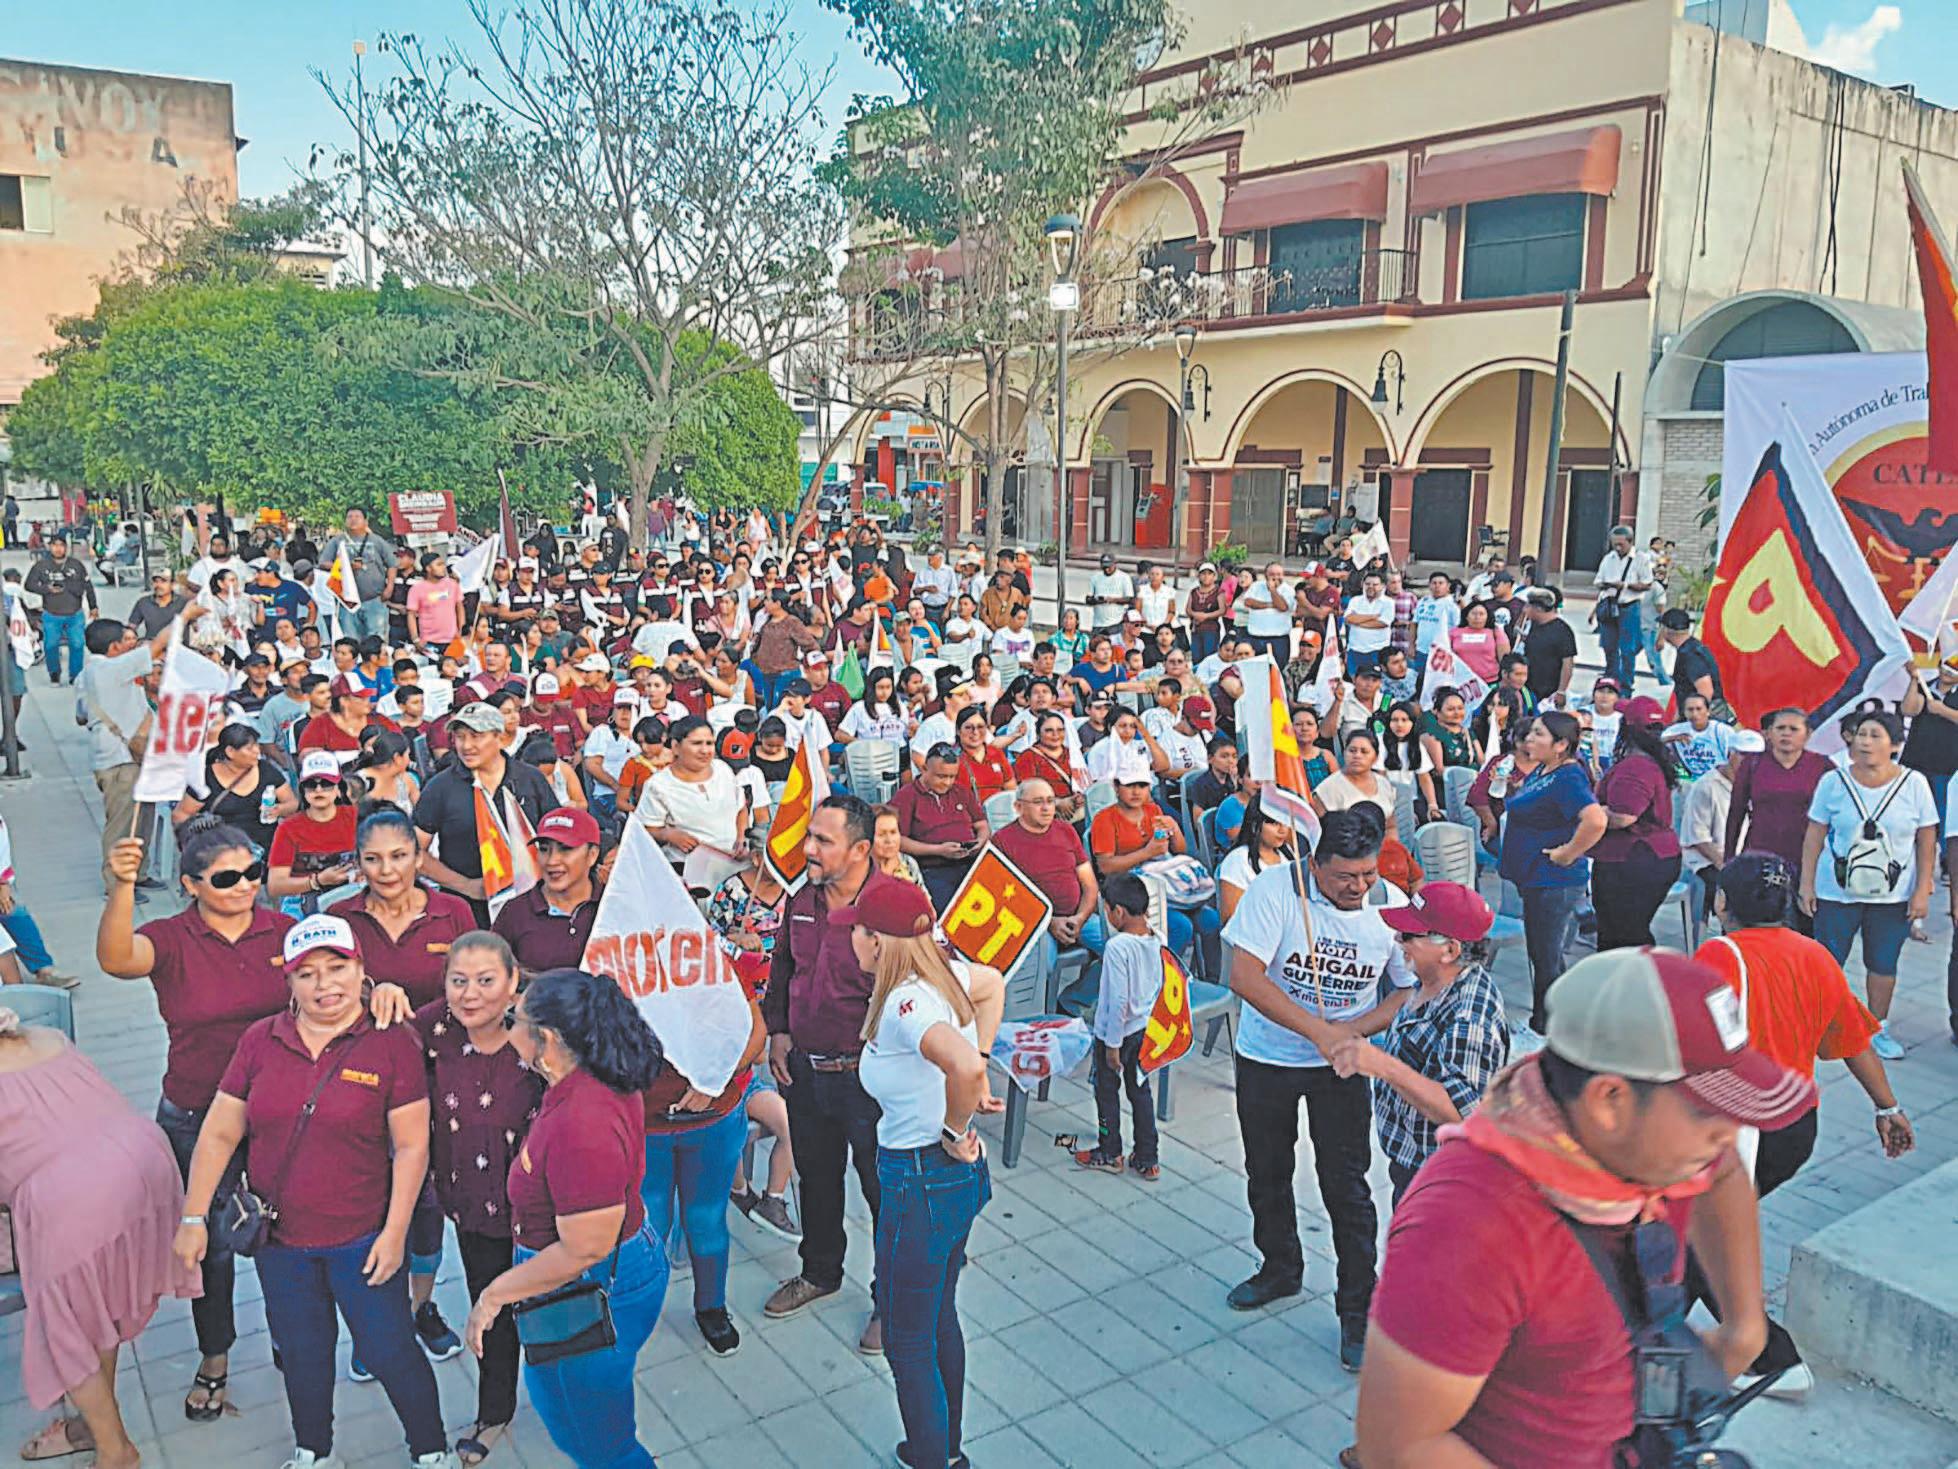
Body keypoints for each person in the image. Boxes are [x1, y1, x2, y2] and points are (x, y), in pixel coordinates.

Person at [1355, 948, 1815, 1468]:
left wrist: (1744, 1328)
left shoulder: (1666, 1149)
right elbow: (1397, 1447)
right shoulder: (1469, 1225)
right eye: (1707, 1112)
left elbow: (1723, 1169)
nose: (1728, 1135)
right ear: (1608, 1100)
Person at [172, 914, 448, 1469]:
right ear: (290, 981)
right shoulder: (260, 1040)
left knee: (390, 1351)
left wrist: (395, 1233)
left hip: (362, 1240)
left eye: (337, 968)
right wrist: (193, 1218)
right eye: (308, 973)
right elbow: (221, 1132)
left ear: (361, 970)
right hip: (281, 1245)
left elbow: (412, 1146)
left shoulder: (391, 1041)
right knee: (302, 1354)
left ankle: (429, 1448)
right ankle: (313, 1450)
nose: (325, 985)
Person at [1687, 854, 1914, 1400]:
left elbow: (1687, 1042)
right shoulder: (1815, 955)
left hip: (1738, 1130)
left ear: (1723, 902)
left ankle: (1772, 1358)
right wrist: (1887, 1108)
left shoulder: (1719, 954)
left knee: (1695, 1242)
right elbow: (1853, 1038)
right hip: (1794, 1130)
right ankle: (1663, 1337)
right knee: (1698, 1237)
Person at [94, 821, 293, 1421]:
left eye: (253, 873)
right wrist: (121, 885)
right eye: (227, 879)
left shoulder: (283, 932)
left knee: (288, 1234)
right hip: (196, 1113)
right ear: (191, 885)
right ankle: (216, 1354)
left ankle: (291, 1333)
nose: (245, 886)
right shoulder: (172, 939)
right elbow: (116, 959)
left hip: (278, 1110)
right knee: (211, 1245)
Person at [1221, 808, 1416, 1368]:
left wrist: (1352, 1032)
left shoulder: (1390, 904)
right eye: (1344, 878)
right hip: (1268, 1057)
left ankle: (1357, 1308)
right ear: (1314, 864)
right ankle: (1280, 1266)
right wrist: (1318, 1032)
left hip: (1343, 1066)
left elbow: (1406, 989)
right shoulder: (1274, 890)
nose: (1358, 888)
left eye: (1367, 874)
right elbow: (1245, 976)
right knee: (1267, 1170)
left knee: (1347, 1186)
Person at [462, 967, 667, 1469]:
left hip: (587, 1282)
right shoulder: (594, 1074)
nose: (505, 1025)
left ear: (548, 1040)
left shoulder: (583, 1123)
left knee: (599, 1445)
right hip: (612, 1266)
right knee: (599, 1424)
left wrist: (494, 1296)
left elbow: (584, 1248)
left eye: (513, 1018)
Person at [843, 875, 1005, 1469]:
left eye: (858, 929)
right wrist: (977, 1069)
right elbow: (992, 985)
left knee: (907, 1339)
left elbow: (962, 1065)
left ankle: (933, 1458)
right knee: (938, 1317)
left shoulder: (903, 1004)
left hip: (920, 1178)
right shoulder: (941, 973)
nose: (851, 939)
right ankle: (946, 1449)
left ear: (879, 941)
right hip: (951, 1182)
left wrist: (957, 1123)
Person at [0, 1001, 201, 1469]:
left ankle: (116, 1452)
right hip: (147, 1164)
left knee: (63, 1330)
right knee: (94, 1310)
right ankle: (92, 1427)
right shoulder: (49, 1039)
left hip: (76, 1197)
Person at [402, 931, 540, 1466]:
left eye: (486, 980)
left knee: (554, 1309)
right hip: (473, 1205)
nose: (470, 994)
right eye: (458, 981)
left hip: (542, 1211)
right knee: (492, 1311)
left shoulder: (541, 1028)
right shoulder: (433, 1027)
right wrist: (380, 994)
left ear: (512, 982)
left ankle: (575, 1405)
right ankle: (495, 1411)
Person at [757, 795, 888, 1352]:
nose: (807, 848)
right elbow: (784, 967)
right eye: (809, 836)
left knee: (884, 1192)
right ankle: (820, 1271)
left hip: (870, 1081)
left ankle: (892, 1301)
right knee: (816, 1176)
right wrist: (779, 1031)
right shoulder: (802, 901)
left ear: (860, 850)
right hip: (806, 1073)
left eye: (822, 841)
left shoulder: (893, 909)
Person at [1328, 881, 1505, 1205]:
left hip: (1440, 1180)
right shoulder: (1432, 982)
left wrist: (1382, 1066)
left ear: (1449, 951)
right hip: (1412, 1164)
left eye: (1410, 934)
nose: (1398, 939)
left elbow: (1463, 1113)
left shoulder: (1470, 1018)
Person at [1799, 706, 1938, 1061]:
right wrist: (1807, 883)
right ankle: (1821, 1023)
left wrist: (1922, 889)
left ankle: (1878, 1028)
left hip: (1893, 895)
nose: (1865, 742)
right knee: (1828, 960)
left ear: (1895, 745)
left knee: (1883, 962)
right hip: (1836, 891)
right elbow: (1815, 834)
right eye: (1861, 734)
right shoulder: (1833, 782)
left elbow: (1926, 839)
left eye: (1876, 735)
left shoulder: (1914, 784)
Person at [1501, 711, 1607, 1037]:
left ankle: (1544, 1028)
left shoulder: (1568, 777)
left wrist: (1569, 852)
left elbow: (1596, 820)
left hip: (1552, 881)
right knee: (1544, 954)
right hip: (1534, 877)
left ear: (1560, 744)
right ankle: (1557, 1018)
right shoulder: (1546, 768)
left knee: (1545, 956)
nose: (1529, 739)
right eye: (1530, 732)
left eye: (1538, 734)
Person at [413, 703, 558, 922]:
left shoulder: (530, 779)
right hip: (466, 911)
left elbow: (556, 837)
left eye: (476, 736)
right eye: (460, 737)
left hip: (532, 905)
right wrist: (466, 886)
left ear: (499, 738)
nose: (466, 745)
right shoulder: (440, 787)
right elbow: (414, 852)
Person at [1068, 873, 1165, 1182]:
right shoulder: (1157, 938)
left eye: (1107, 910)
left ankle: (1110, 1150)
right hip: (1145, 1029)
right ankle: (1147, 1158)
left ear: (1118, 912)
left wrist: (1112, 1045)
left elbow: (1117, 1000)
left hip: (1116, 1034)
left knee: (1106, 1092)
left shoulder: (1117, 947)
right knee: (1141, 1093)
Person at [78, 612, 181, 892]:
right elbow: (158, 644)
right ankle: (116, 884)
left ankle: (139, 873)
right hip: (120, 760)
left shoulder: (91, 674)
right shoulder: (108, 669)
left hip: (130, 756)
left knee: (142, 818)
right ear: (114, 647)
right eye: (125, 641)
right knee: (122, 825)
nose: (130, 646)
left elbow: (81, 715)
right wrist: (185, 615)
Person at [1590, 695, 1683, 951]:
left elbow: (1623, 816)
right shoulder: (1651, 761)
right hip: (1651, 857)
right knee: (1627, 932)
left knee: (1623, 936)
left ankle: (1639, 976)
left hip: (1633, 859)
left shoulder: (1635, 767)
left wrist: (1589, 813)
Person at [1725, 707, 1833, 922]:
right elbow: (1736, 813)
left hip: (1807, 862)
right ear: (1768, 733)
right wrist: (1729, 860)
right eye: (1780, 728)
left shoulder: (1823, 766)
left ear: (1808, 734)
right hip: (1760, 858)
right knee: (1756, 923)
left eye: (1793, 729)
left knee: (1804, 927)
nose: (1786, 734)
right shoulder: (1752, 764)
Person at [491, 806, 607, 976]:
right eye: (544, 849)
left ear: (592, 855)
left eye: (565, 848)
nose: (552, 860)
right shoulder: (515, 912)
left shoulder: (612, 905)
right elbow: (493, 973)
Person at [991, 778, 1098, 949]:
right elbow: (1002, 899)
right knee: (1044, 962)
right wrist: (1049, 922)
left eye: (1050, 801)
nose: (1046, 808)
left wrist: (1080, 918)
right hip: (1035, 927)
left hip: (1080, 919)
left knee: (1117, 949)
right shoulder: (1002, 840)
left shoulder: (1066, 830)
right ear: (1018, 807)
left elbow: (1090, 885)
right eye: (1038, 802)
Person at [174, 721, 296, 856]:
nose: (257, 751)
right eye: (249, 748)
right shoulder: (205, 779)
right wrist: (192, 846)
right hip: (221, 854)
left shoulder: (266, 770)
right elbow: (181, 815)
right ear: (230, 752)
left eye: (256, 745)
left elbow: (292, 803)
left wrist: (279, 809)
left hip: (264, 851)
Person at [893, 743, 987, 913]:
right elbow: (898, 840)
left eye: (952, 776)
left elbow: (981, 823)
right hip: (934, 869)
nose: (947, 782)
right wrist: (938, 850)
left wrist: (980, 841)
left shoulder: (960, 791)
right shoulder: (907, 796)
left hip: (971, 863)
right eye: (941, 776)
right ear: (924, 769)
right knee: (950, 912)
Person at [268, 751, 360, 913]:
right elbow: (275, 885)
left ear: (338, 789)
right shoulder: (288, 829)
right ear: (303, 790)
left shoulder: (357, 817)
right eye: (311, 785)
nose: (318, 790)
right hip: (303, 899)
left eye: (326, 783)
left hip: (351, 894)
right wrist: (317, 881)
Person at [25, 532, 96, 685]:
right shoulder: (41, 565)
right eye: (55, 546)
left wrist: (93, 606)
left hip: (75, 613)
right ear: (50, 547)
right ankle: (54, 673)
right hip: (51, 614)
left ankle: (75, 675)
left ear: (66, 547)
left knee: (77, 644)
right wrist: (47, 589)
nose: (58, 549)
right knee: (50, 645)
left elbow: (88, 586)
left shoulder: (76, 565)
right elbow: (29, 584)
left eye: (61, 546)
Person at [322, 507, 400, 643]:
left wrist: (390, 587)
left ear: (365, 521)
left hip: (374, 599)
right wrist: (345, 566)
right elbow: (324, 563)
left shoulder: (377, 541)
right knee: (350, 640)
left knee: (376, 640)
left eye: (357, 517)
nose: (353, 520)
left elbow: (392, 564)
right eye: (350, 517)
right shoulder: (337, 541)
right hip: (347, 601)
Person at [1218, 792, 1295, 924]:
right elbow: (1230, 920)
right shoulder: (1237, 861)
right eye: (1274, 823)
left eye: (1285, 822)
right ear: (1255, 825)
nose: (1282, 830)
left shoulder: (1287, 854)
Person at [1591, 525, 1652, 690]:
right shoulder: (1608, 558)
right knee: (1608, 646)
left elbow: (1647, 584)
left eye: (1621, 544)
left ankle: (1626, 685)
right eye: (1614, 544)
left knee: (1627, 649)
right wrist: (1606, 585)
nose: (1617, 548)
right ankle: (1611, 679)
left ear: (1630, 542)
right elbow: (1598, 581)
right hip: (1609, 604)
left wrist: (1625, 586)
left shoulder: (1641, 559)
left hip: (1629, 606)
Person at [1311, 727, 1397, 831]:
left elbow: (1391, 826)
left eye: (1364, 751)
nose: (1357, 756)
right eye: (1352, 751)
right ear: (1344, 753)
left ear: (1376, 757)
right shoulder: (1327, 789)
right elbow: (1315, 829)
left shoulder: (1383, 784)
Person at [1519, 588, 1577, 705]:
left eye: (1528, 606)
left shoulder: (1562, 631)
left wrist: (1561, 691)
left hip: (1548, 691)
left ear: (1538, 609)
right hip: (1528, 687)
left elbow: (1568, 663)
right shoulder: (1533, 625)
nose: (1524, 610)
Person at [1239, 561, 1295, 664]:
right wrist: (1270, 605)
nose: (1276, 577)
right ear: (1265, 575)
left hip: (1278, 639)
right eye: (1272, 574)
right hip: (1255, 637)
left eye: (1279, 574)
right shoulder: (1256, 586)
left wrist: (1272, 590)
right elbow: (1248, 602)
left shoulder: (1288, 590)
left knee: (1277, 670)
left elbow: (1283, 607)